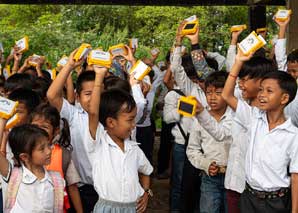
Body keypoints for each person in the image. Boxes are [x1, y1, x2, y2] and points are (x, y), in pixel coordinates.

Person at [222, 49, 298, 213]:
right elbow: (227, 95)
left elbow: (295, 176)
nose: (262, 95)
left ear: (284, 98)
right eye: (261, 89)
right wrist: (238, 62)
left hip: (276, 201)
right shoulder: (254, 117)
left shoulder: (293, 135)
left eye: (269, 91)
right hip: (249, 197)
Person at [86, 65, 153, 212]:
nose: (134, 125)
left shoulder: (133, 148)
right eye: (129, 120)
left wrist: (146, 192)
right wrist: (99, 77)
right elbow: (93, 113)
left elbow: (146, 171)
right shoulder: (98, 143)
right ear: (111, 122)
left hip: (133, 208)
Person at [47, 49, 99, 212]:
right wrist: (69, 66)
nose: (93, 98)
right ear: (77, 96)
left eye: (97, 93)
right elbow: (52, 95)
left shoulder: (110, 117)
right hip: (83, 188)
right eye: (88, 93)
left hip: (108, 190)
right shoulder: (74, 115)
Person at [187, 71, 232, 213]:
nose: (212, 97)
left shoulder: (236, 116)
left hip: (233, 178)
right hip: (210, 178)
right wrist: (205, 164)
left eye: (218, 93)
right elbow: (192, 149)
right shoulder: (198, 119)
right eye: (209, 92)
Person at [29, 103, 83, 213]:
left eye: (44, 127)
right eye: (35, 126)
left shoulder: (63, 155)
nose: (39, 131)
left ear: (56, 130)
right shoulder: (23, 152)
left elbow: (72, 187)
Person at [0, 122, 65, 212]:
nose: (48, 151)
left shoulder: (55, 180)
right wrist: (3, 119)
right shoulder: (14, 176)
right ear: (25, 157)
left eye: (49, 145)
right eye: (42, 149)